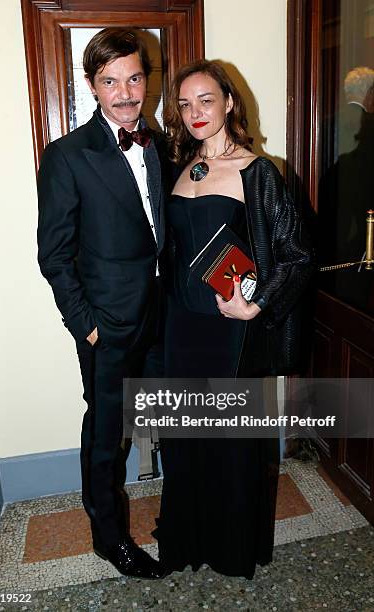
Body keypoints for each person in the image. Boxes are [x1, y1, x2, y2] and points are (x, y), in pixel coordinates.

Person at [156, 60, 315, 578]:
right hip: (182, 328)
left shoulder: (258, 171)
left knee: (228, 442)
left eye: (206, 99)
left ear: (228, 102)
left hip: (231, 330)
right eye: (185, 103)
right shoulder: (177, 168)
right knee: (186, 438)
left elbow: (296, 254)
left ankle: (229, 547)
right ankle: (188, 539)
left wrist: (257, 304)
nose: (195, 112)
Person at [37, 28, 168, 579]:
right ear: (91, 86)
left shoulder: (160, 143)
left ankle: (179, 518)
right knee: (107, 435)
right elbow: (54, 254)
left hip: (165, 316)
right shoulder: (68, 155)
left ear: (146, 80)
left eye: (134, 78)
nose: (124, 92)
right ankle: (108, 538)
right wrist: (86, 326)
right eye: (110, 81)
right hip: (108, 327)